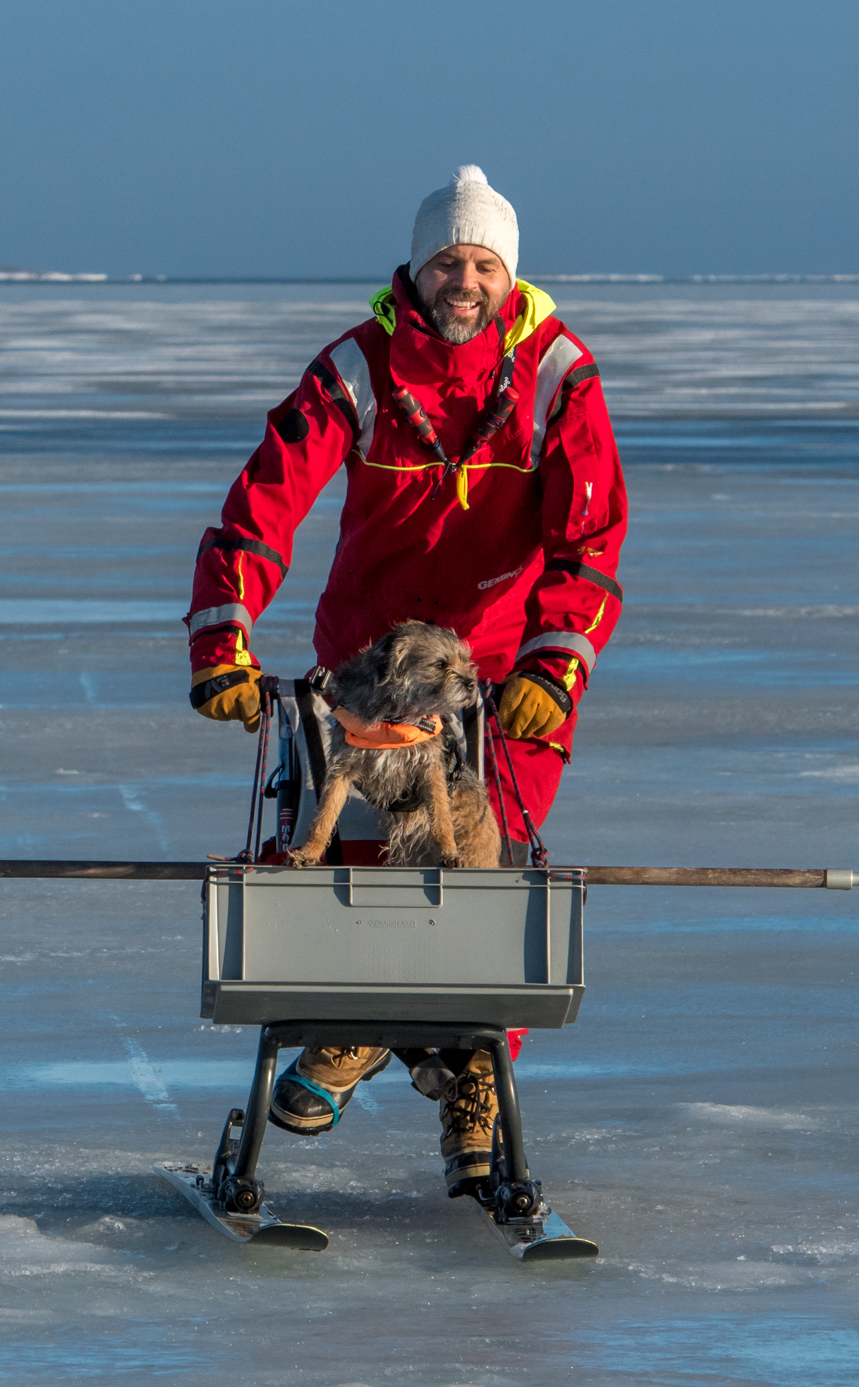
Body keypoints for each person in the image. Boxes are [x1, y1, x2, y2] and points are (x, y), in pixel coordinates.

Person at [183, 166, 627, 1196]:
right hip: (369, 671)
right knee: (352, 850)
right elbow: (261, 504)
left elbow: (590, 541)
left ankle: (472, 1083)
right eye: (445, 260)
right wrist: (223, 641)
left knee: (485, 867)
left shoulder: (560, 375)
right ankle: (354, 1027)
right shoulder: (357, 370)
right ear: (415, 269)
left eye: (480, 262)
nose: (460, 279)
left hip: (498, 676)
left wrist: (555, 664)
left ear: (506, 274)